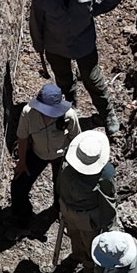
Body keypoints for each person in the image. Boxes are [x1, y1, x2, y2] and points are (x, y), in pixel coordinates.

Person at [30, 0, 126, 135]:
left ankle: (107, 113)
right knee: (63, 80)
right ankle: (69, 109)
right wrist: (38, 43)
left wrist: (95, 11)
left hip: (83, 42)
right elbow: (36, 16)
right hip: (55, 44)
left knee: (92, 79)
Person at [9, 84, 82, 235]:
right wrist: (22, 162)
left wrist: (74, 164)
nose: (48, 115)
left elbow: (76, 138)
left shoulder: (69, 115)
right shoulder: (28, 113)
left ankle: (58, 210)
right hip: (37, 153)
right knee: (18, 186)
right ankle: (23, 218)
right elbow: (22, 137)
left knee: (63, 188)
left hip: (62, 155)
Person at [57, 131, 117, 273]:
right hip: (84, 216)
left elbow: (59, 184)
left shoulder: (66, 163)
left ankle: (84, 263)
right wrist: (109, 224)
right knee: (84, 239)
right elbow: (108, 201)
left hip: (72, 210)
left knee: (81, 238)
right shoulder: (105, 174)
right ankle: (83, 261)